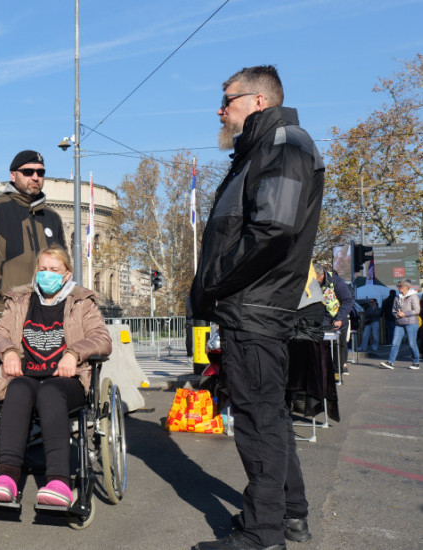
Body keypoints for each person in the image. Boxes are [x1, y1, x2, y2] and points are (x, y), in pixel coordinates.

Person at [189, 66, 324, 550]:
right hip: (255, 304)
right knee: (269, 416)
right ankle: (289, 513)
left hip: (255, 305)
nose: (220, 109)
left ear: (258, 101)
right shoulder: (264, 149)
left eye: (227, 99)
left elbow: (273, 229)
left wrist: (213, 284)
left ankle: (261, 533)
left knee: (258, 422)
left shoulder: (283, 145)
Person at [0, 149, 66, 473]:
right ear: (14, 175)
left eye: (40, 171)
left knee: (47, 376)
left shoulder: (52, 218)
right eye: (29, 171)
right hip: (1, 310)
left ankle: (42, 452)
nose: (36, 176)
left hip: (45, 312)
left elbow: (63, 265)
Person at [0, 247, 111, 506]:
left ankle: (58, 481)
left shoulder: (82, 303)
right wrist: (7, 351)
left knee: (50, 392)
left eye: (54, 270)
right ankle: (6, 478)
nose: (47, 274)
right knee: (16, 388)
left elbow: (102, 340)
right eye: (42, 269)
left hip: (67, 380)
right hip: (27, 375)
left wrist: (74, 353)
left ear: (66, 274)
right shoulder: (19, 301)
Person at [314, 265, 354, 374]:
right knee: (323, 343)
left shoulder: (337, 282)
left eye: (316, 279)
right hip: (325, 315)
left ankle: (338, 371)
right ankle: (324, 370)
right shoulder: (315, 282)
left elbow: (348, 300)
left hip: (339, 315)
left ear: (322, 275)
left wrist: (340, 318)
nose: (315, 281)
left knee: (339, 345)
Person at [380, 279, 419, 370]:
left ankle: (416, 362)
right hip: (399, 322)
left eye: (400, 286)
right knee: (395, 343)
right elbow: (393, 310)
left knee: (412, 343)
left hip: (411, 323)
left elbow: (417, 311)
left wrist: (404, 314)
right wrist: (396, 314)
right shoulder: (397, 297)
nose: (398, 287)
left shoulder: (413, 297)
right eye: (398, 286)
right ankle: (390, 362)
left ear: (407, 287)